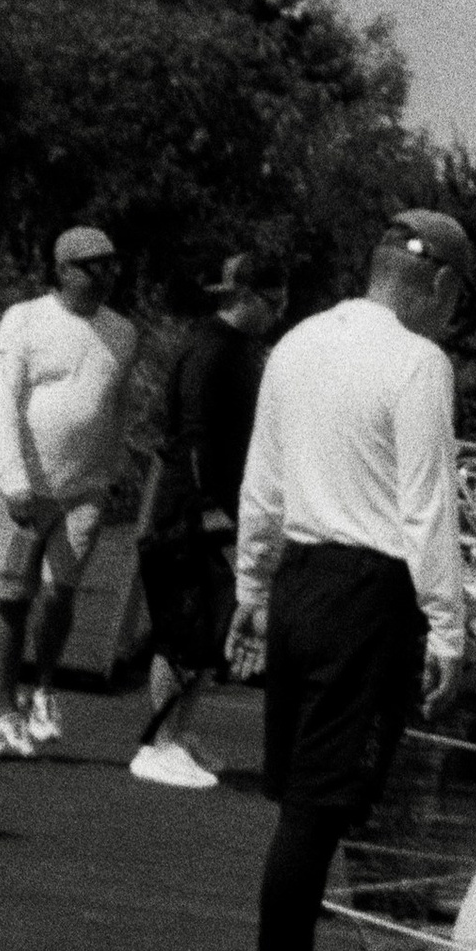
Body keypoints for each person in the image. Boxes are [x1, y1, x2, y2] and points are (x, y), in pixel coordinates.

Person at [224, 211, 471, 951]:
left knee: (302, 796)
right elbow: (426, 507)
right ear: (436, 288)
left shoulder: (294, 344)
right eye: (454, 299)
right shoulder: (418, 362)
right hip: (369, 597)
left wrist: (252, 588)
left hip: (301, 581)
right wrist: (449, 626)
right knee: (318, 807)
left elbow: (263, 479)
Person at [0, 226, 138, 759]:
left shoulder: (121, 333)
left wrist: (111, 474)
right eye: (95, 266)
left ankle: (42, 690)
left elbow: (115, 410)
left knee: (59, 591)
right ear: (64, 270)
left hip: (84, 489)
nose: (107, 275)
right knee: (11, 598)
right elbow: (2, 402)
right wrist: (16, 480)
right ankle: (3, 709)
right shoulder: (24, 321)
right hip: (21, 485)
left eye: (112, 266)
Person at [131, 252, 288, 789]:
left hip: (219, 506)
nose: (279, 312)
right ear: (244, 297)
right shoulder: (209, 350)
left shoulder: (240, 350)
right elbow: (194, 435)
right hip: (190, 510)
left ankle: (180, 730)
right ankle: (158, 741)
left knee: (209, 621)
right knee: (183, 623)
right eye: (273, 302)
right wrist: (211, 509)